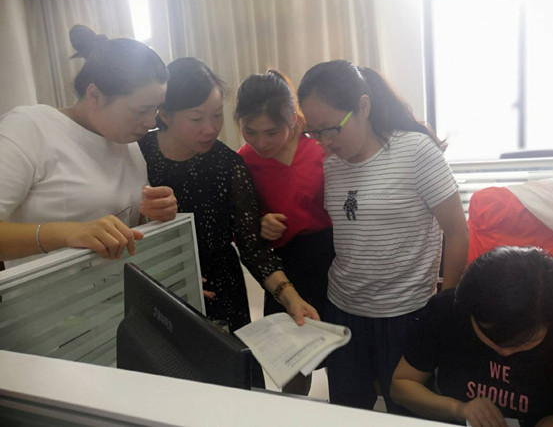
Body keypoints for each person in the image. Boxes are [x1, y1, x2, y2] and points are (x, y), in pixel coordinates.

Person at [296, 59, 469, 413]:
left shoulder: (416, 152)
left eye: (331, 129)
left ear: (363, 106)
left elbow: (457, 231)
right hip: (343, 311)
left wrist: (446, 307)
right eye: (314, 132)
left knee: (407, 413)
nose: (324, 143)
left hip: (405, 314)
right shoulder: (331, 162)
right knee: (348, 410)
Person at [138, 57, 318, 338]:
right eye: (197, 119)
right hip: (152, 281)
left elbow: (253, 249)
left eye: (217, 115)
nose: (211, 128)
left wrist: (290, 297)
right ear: (165, 114)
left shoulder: (228, 165)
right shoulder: (137, 152)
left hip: (220, 288)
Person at [0, 25, 177, 268]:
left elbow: (127, 226)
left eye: (156, 109)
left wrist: (154, 214)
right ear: (95, 96)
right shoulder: (30, 128)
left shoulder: (127, 142)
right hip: (49, 291)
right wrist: (68, 233)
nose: (151, 122)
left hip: (116, 287)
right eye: (141, 111)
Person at [391, 246, 553, 427]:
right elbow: (399, 388)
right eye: (490, 335)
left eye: (523, 341)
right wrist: (458, 409)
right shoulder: (448, 309)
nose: (504, 352)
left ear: (551, 323)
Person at [235, 70, 335, 395]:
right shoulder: (244, 161)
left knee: (340, 351)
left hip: (333, 259)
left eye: (271, 132)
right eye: (250, 131)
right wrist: (260, 224)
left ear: (293, 119)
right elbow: (242, 226)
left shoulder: (320, 149)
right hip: (283, 266)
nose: (261, 142)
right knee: (294, 359)